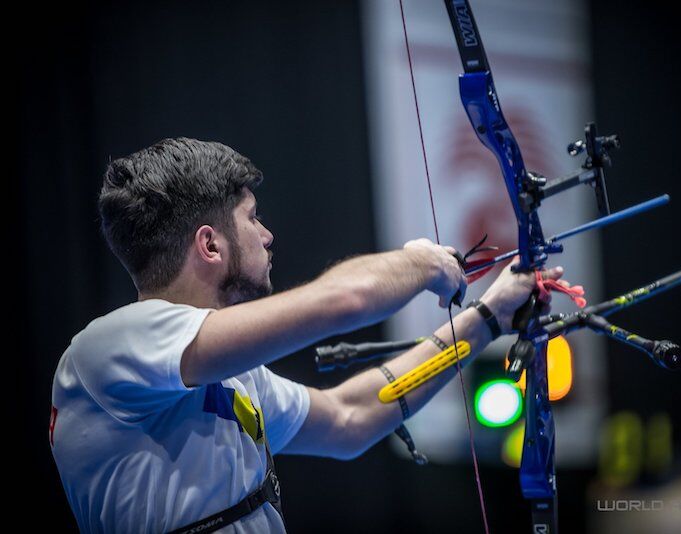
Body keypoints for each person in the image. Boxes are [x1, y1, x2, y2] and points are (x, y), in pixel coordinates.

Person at [50, 137, 563, 533]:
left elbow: (350, 417)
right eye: (252, 218)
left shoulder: (233, 376)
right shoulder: (112, 345)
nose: (267, 234)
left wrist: (489, 317)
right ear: (210, 245)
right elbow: (344, 300)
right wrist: (419, 263)